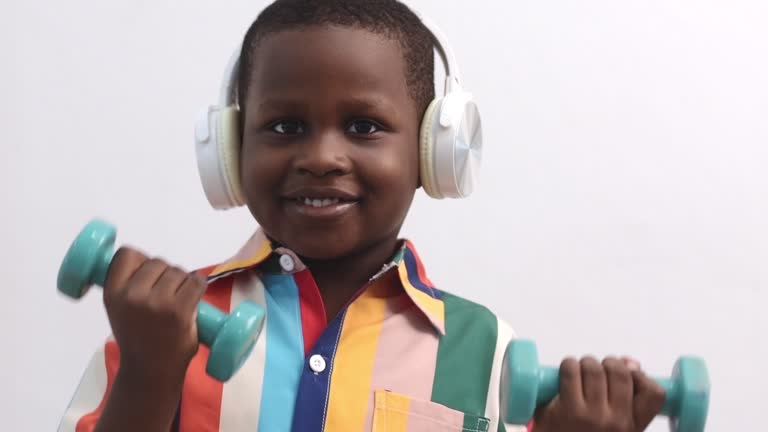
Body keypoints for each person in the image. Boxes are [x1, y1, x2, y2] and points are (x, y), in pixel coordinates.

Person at [57, 1, 665, 431]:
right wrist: (147, 371)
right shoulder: (159, 328)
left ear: (434, 153)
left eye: (364, 126)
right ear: (231, 149)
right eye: (284, 126)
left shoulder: (486, 355)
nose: (321, 157)